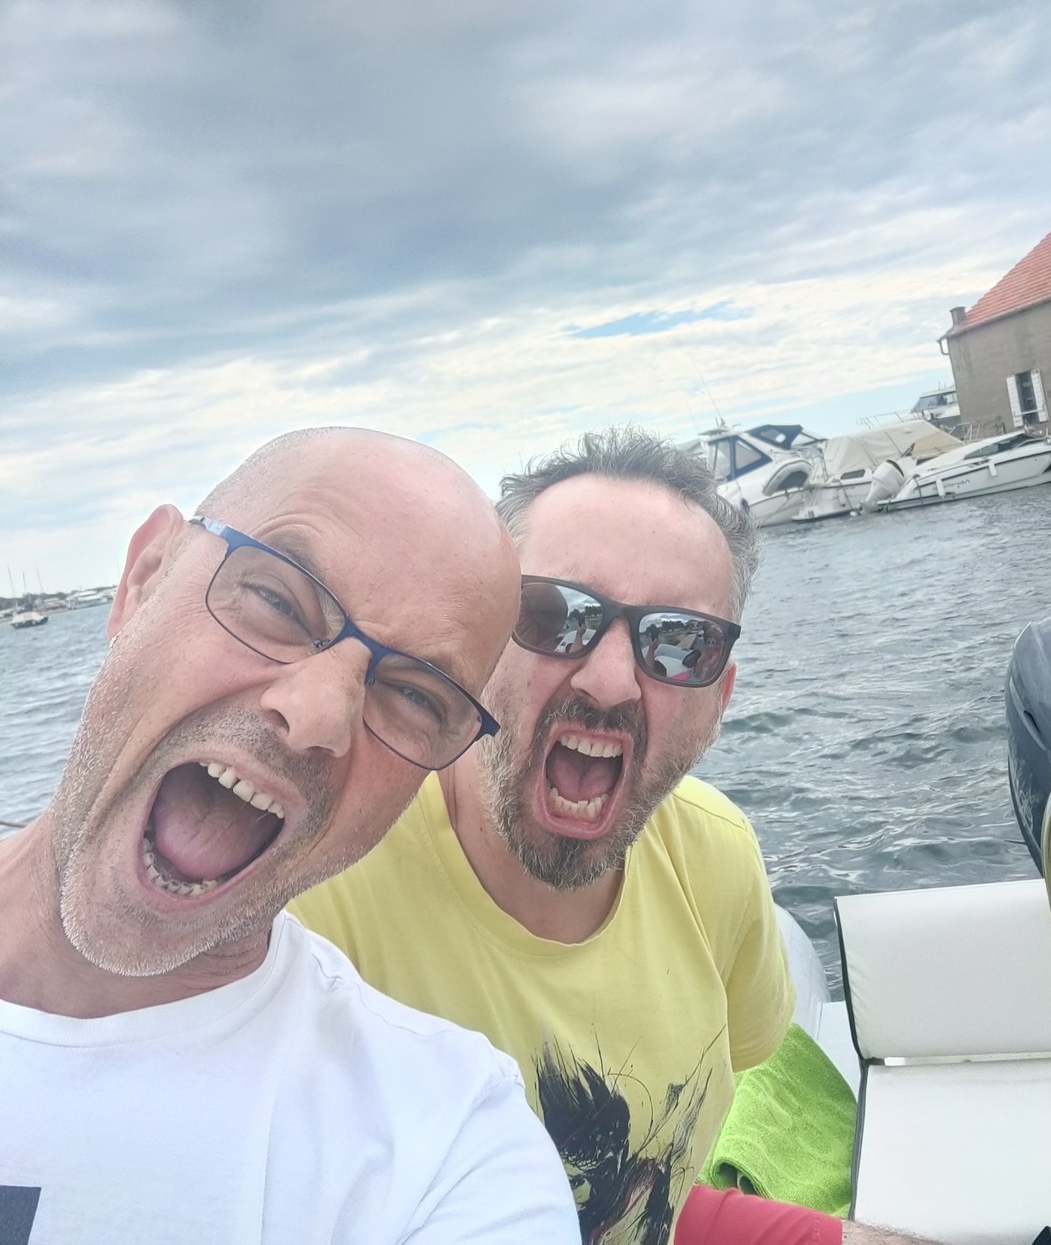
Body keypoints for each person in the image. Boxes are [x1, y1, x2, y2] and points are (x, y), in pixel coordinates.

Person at [0, 427, 578, 1245]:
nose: (315, 716)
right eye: (276, 602)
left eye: (417, 697)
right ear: (143, 578)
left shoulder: (442, 1153)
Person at [295, 427, 831, 1243]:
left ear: (719, 701)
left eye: (678, 642)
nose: (610, 682)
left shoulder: (715, 857)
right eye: (554, 616)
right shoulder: (320, 904)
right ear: (476, 644)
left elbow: (664, 1193)